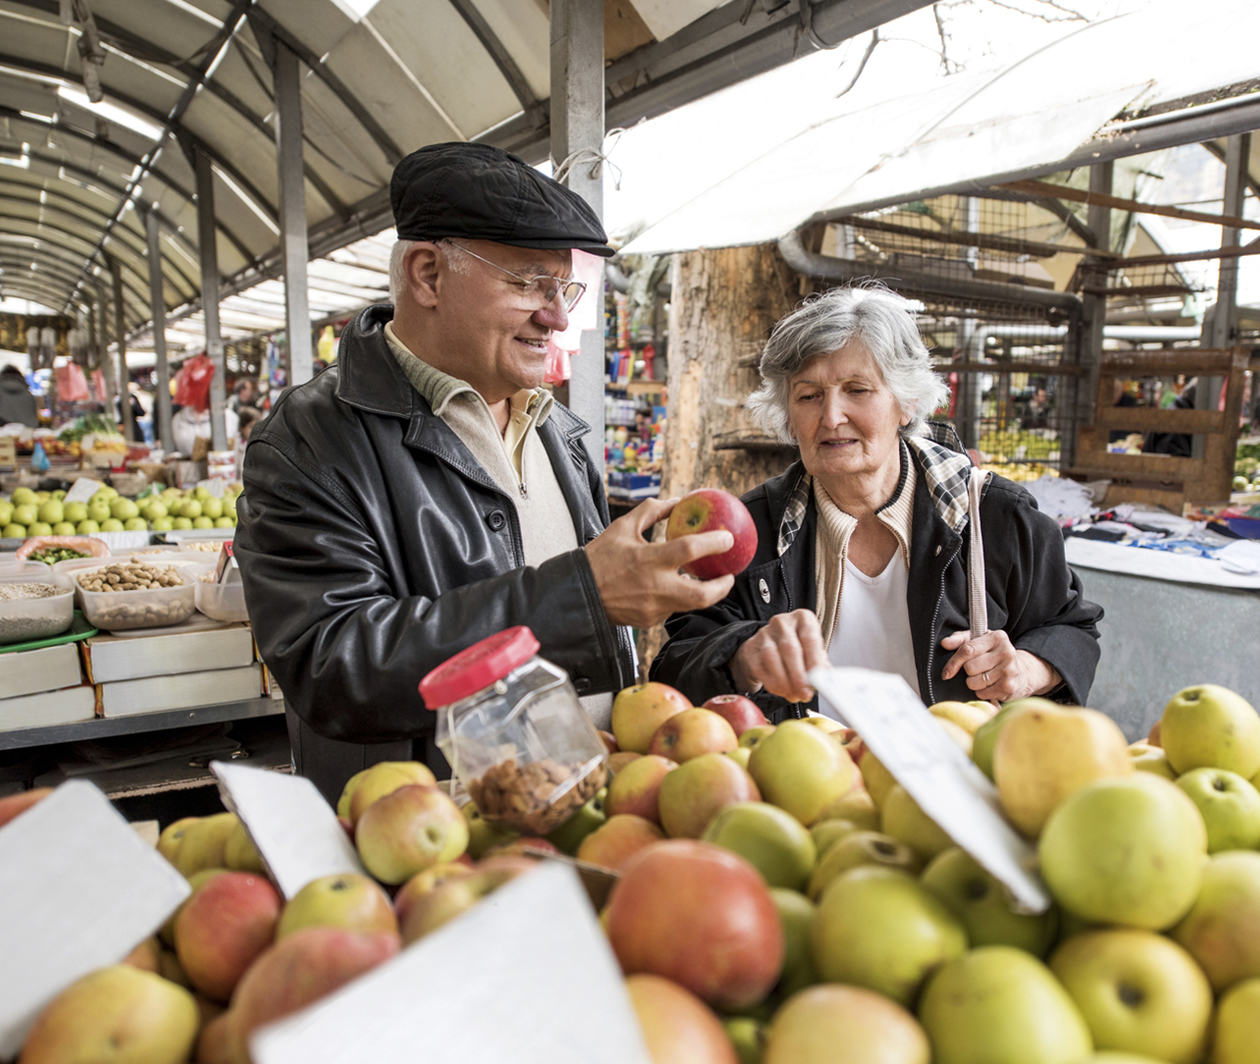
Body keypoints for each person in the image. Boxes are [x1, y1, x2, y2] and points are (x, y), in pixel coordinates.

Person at [234, 142, 735, 803]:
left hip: (584, 806)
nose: (556, 316)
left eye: (563, 289)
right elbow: (334, 666)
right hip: (431, 842)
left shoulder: (558, 431)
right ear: (428, 275)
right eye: (528, 283)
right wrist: (580, 595)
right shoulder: (310, 441)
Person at [650, 285, 1102, 720]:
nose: (831, 417)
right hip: (803, 784)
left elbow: (1073, 629)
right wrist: (742, 656)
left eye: (857, 389)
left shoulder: (994, 515)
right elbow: (674, 667)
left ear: (905, 403)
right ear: (789, 417)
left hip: (952, 780)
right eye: (808, 396)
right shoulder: (752, 531)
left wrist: (1027, 668)